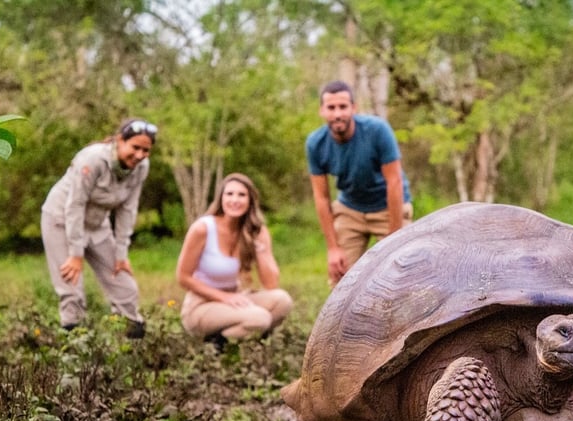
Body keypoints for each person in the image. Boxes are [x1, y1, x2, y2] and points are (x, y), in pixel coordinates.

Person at [40, 118, 157, 338]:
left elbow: (127, 210)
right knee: (72, 291)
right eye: (135, 147)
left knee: (125, 287)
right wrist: (76, 254)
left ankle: (129, 349)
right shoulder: (93, 159)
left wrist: (121, 254)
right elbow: (74, 205)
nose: (140, 155)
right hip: (61, 220)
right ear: (120, 140)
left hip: (96, 226)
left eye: (146, 150)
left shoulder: (141, 168)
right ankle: (74, 358)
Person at [306, 80, 412, 285]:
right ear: (322, 111)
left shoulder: (378, 130)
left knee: (402, 273)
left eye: (343, 107)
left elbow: (395, 182)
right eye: (331, 107)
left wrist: (394, 239)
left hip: (387, 206)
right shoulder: (316, 144)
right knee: (341, 278)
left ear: (354, 108)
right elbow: (321, 197)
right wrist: (333, 248)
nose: (337, 114)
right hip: (350, 209)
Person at [176, 172, 293, 350]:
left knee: (282, 301)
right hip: (200, 306)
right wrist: (224, 297)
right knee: (260, 318)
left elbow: (271, 284)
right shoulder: (203, 228)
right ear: (221, 198)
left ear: (250, 200)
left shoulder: (255, 231)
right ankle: (216, 346)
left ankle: (245, 338)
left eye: (241, 195)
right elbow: (183, 277)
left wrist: (259, 246)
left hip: (234, 299)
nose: (235, 200)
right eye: (229, 194)